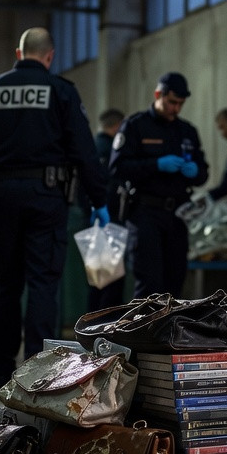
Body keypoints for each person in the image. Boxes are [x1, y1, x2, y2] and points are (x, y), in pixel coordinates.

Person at [0, 27, 110, 394]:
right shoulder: (61, 90)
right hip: (46, 196)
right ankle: (37, 372)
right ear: (50, 56)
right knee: (43, 283)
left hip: (1, 197)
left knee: (6, 286)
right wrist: (100, 199)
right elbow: (83, 151)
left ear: (18, 52)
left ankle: (0, 373)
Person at [110, 72, 209, 298]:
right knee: (149, 284)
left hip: (177, 215)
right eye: (172, 102)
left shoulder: (187, 131)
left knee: (175, 281)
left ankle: (170, 334)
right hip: (145, 213)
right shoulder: (135, 126)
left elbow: (203, 173)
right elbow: (117, 168)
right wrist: (155, 165)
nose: (176, 109)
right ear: (158, 94)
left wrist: (195, 172)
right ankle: (142, 333)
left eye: (181, 104)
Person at [84, 108, 126, 313]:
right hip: (108, 221)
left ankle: (91, 327)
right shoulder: (109, 150)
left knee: (98, 280)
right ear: (117, 126)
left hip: (96, 220)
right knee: (110, 282)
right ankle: (104, 327)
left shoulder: (91, 146)